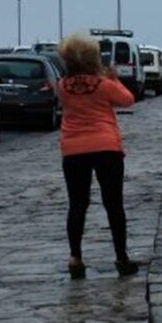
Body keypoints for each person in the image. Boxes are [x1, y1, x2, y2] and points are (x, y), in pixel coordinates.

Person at [56, 34, 138, 279]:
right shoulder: (104, 85)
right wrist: (114, 79)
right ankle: (121, 258)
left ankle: (75, 256)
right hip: (106, 147)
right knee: (114, 204)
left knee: (77, 205)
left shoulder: (62, 86)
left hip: (73, 150)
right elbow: (128, 100)